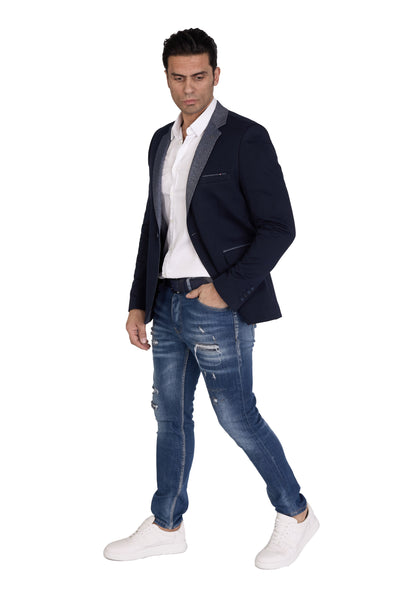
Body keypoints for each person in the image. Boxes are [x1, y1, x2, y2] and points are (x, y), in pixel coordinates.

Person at [103, 28, 319, 569]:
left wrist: (225, 290)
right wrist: (137, 301)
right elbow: (154, 229)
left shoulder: (245, 137)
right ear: (166, 78)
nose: (189, 88)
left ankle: (296, 514)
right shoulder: (161, 140)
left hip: (216, 303)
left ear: (216, 75)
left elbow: (280, 227)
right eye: (178, 78)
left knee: (237, 416)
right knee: (170, 417)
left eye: (199, 76)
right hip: (166, 301)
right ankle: (167, 524)